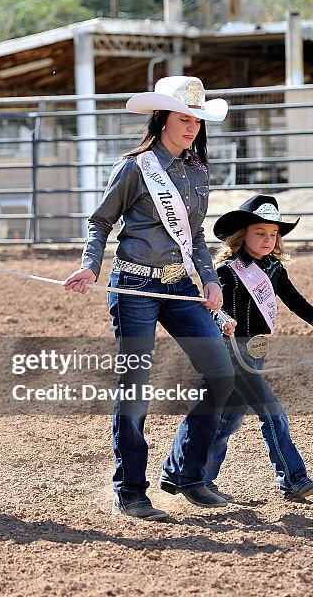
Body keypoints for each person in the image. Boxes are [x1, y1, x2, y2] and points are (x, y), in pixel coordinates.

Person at [64, 76, 236, 520]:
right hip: (134, 287)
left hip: (180, 287)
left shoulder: (198, 171)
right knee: (135, 386)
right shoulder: (134, 168)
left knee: (219, 373)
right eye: (184, 120)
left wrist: (209, 279)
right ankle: (131, 489)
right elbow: (101, 221)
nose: (192, 128)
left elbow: (195, 234)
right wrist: (90, 264)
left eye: (196, 121)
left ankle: (186, 474)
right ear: (161, 119)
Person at [189, 194, 313, 502]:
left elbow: (294, 299)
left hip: (255, 351)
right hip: (232, 351)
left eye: (273, 234)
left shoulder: (273, 269)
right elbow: (214, 308)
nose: (268, 239)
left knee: (227, 421)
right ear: (242, 235)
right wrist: (222, 320)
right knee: (272, 413)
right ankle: (293, 480)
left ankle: (198, 480)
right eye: (260, 233)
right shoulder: (227, 271)